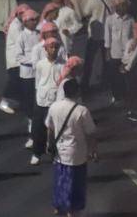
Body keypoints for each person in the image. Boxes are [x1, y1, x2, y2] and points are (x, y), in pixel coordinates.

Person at [47, 79, 97, 217]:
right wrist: (93, 150)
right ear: (77, 92)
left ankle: (58, 205)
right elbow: (90, 132)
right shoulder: (82, 111)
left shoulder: (54, 107)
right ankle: (71, 210)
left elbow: (50, 128)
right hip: (77, 153)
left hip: (59, 151)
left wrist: (49, 144)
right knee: (75, 183)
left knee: (60, 179)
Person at [32, 37, 67, 166]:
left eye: (56, 47)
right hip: (41, 100)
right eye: (51, 47)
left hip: (56, 101)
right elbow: (38, 81)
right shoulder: (40, 64)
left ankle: (54, 154)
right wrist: (39, 95)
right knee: (38, 128)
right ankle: (37, 153)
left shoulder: (63, 65)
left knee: (56, 129)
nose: (53, 50)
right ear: (45, 49)